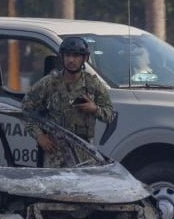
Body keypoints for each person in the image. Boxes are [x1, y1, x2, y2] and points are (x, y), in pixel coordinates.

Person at [23, 35, 117, 166]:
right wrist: (39, 136)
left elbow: (110, 115)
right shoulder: (49, 83)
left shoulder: (93, 84)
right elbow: (26, 109)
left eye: (76, 56)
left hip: (84, 152)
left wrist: (94, 109)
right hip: (55, 152)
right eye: (67, 55)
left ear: (84, 58)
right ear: (62, 57)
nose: (71, 60)